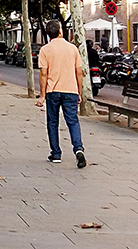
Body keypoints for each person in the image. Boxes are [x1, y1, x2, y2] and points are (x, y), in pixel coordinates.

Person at [35, 20, 86, 168]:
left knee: (52, 122)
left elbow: (43, 73)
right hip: (71, 90)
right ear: (60, 31)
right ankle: (78, 149)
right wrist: (79, 92)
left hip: (53, 91)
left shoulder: (45, 50)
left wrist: (42, 95)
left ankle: (56, 153)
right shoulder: (73, 49)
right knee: (73, 121)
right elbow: (79, 72)